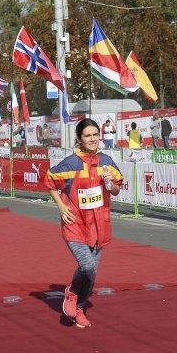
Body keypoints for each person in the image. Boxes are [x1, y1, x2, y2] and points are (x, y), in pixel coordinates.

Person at [46, 119, 122, 328]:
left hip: (99, 225)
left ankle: (79, 308)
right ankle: (71, 293)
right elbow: (50, 181)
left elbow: (116, 189)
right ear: (79, 140)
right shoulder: (70, 164)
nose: (92, 139)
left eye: (95, 135)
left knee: (92, 273)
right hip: (75, 223)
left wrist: (110, 183)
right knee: (87, 265)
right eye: (87, 136)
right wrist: (61, 207)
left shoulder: (107, 161)